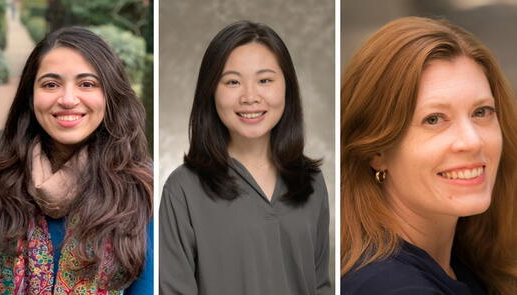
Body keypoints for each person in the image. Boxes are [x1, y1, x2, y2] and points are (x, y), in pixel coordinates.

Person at [341, 16, 517, 294]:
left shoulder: (462, 263)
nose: (472, 141)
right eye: (434, 119)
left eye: (481, 112)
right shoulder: (393, 287)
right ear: (376, 150)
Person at [0, 27, 153, 294]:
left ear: (110, 96)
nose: (68, 99)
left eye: (87, 84)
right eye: (51, 84)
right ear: (30, 96)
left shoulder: (143, 193)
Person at [159, 20, 331, 295]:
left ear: (287, 86)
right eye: (232, 82)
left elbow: (320, 284)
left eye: (265, 80)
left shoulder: (311, 182)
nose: (250, 97)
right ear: (211, 91)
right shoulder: (183, 189)